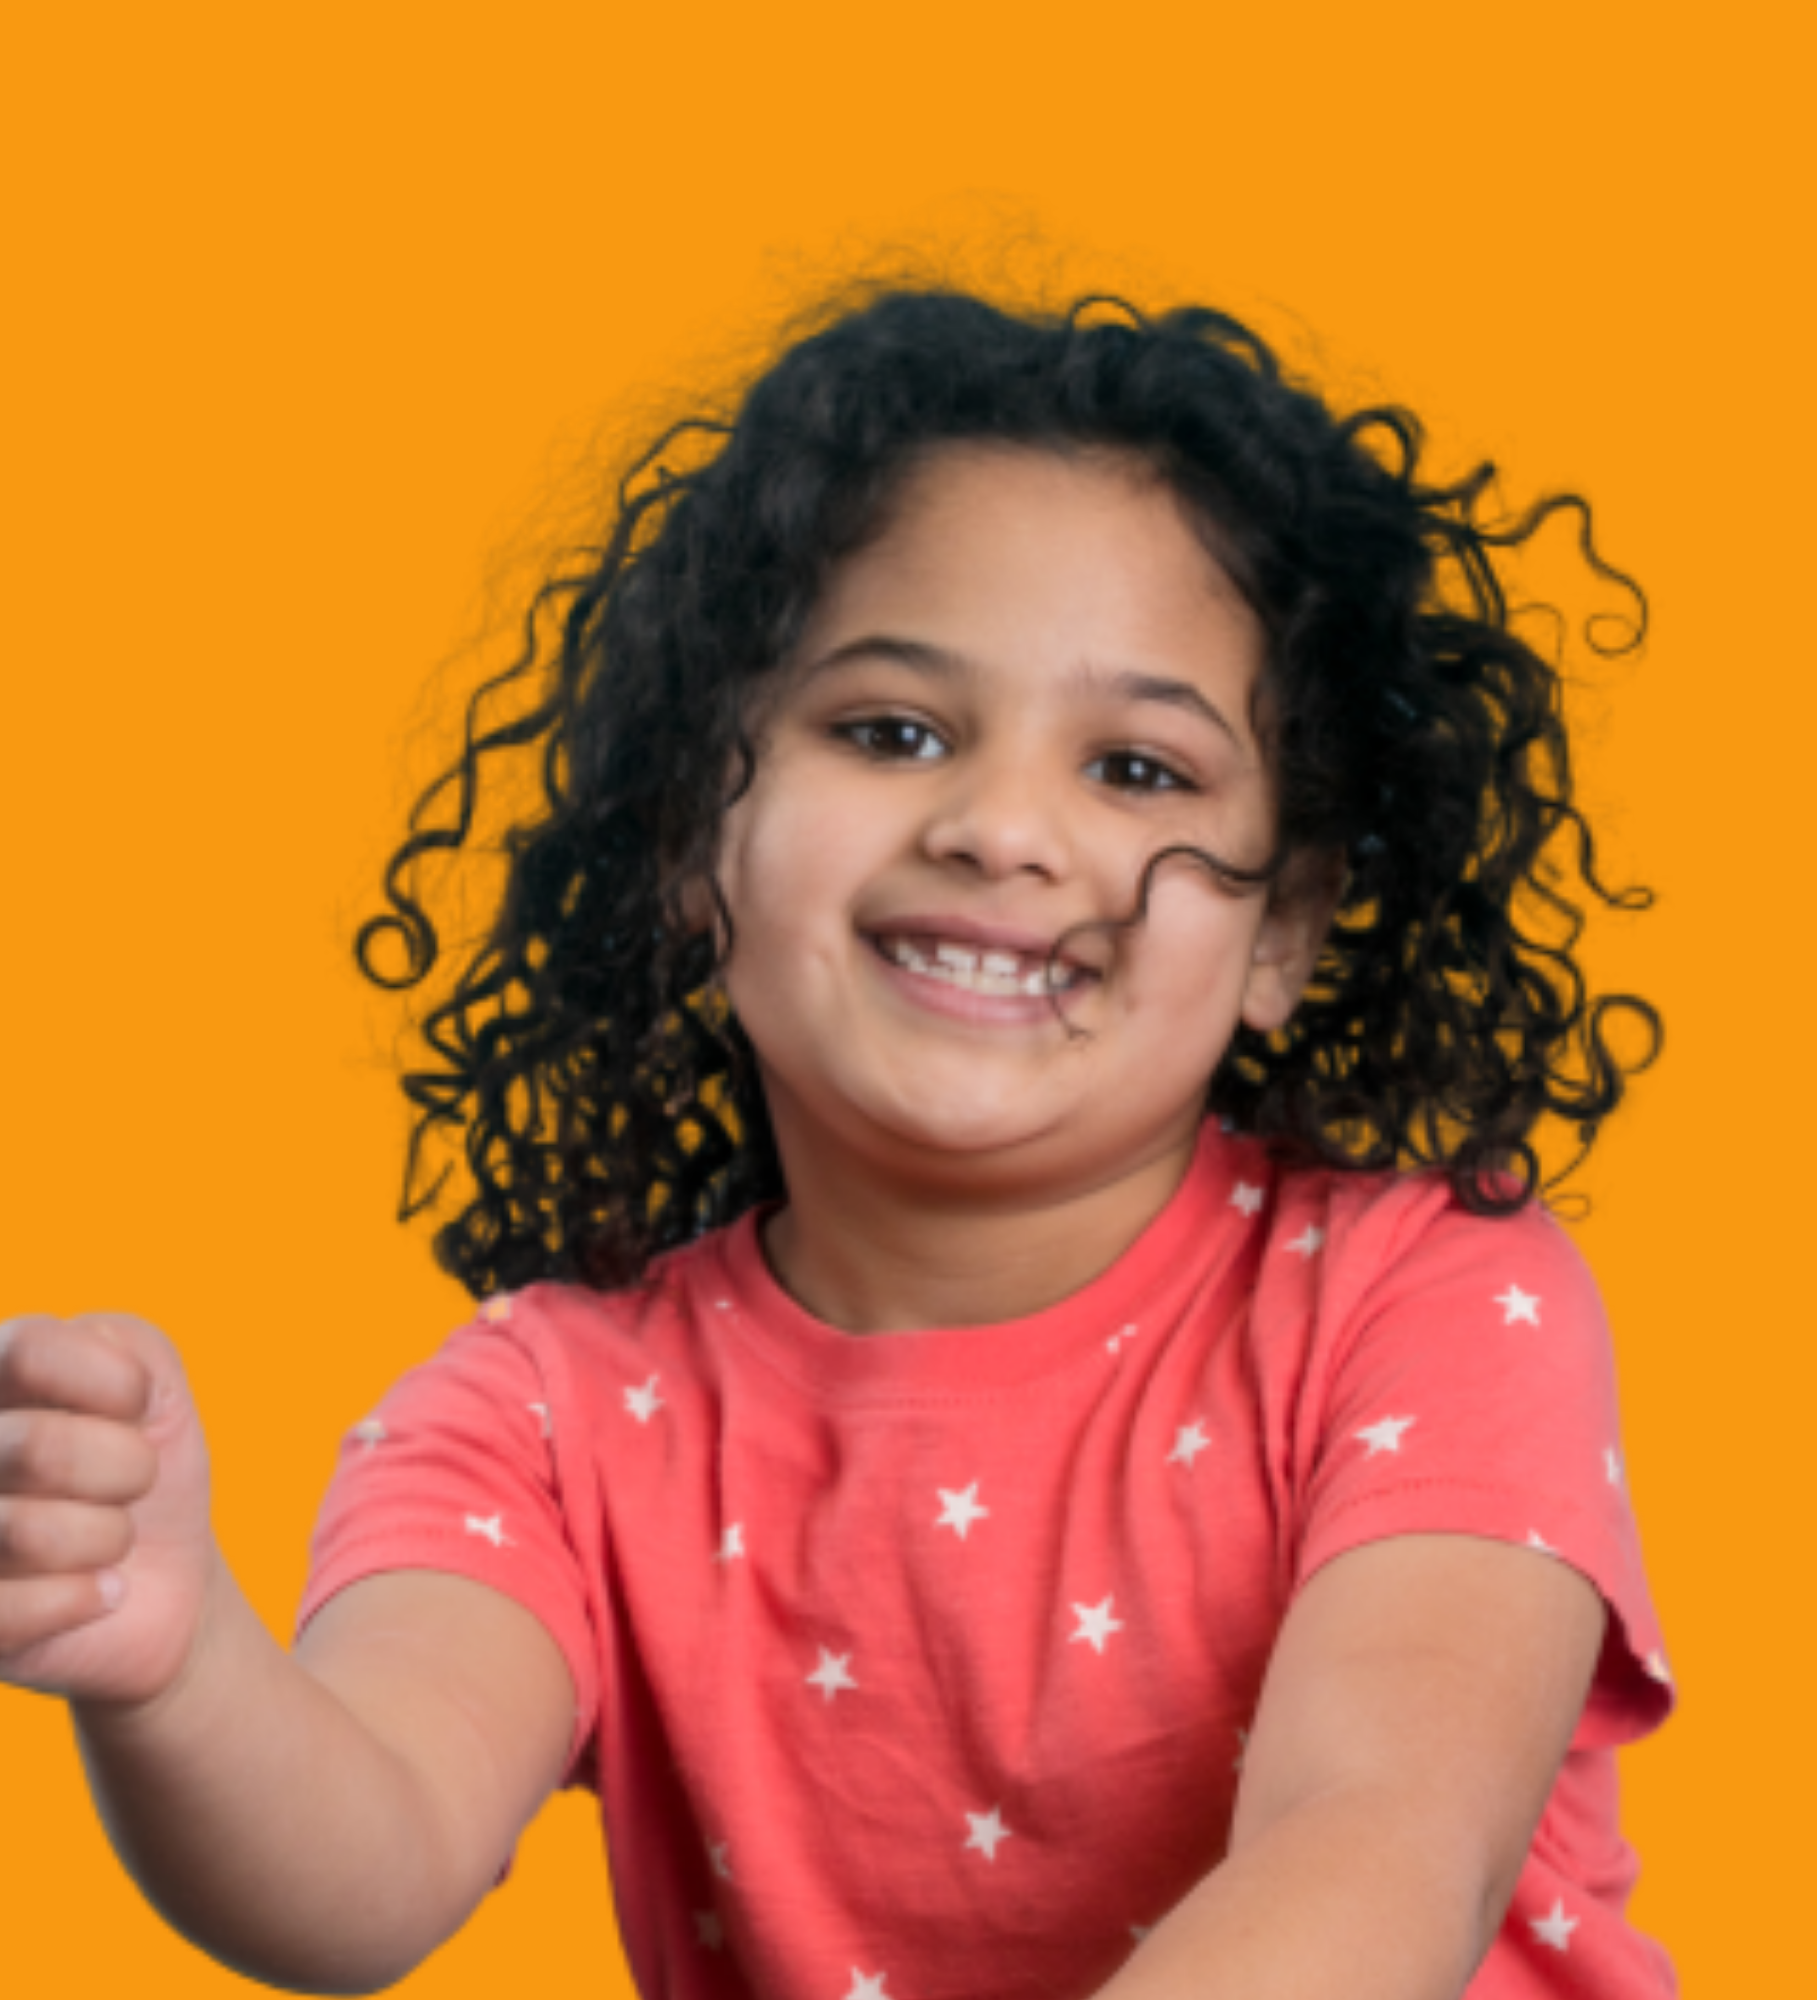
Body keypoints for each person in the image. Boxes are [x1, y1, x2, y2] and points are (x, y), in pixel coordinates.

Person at [0, 285, 1676, 1999]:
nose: (1002, 828)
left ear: (1284, 934)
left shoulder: (1427, 1303)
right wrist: (173, 1662)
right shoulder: (548, 1416)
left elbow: (1385, 1840)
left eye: (1136, 769)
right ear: (691, 834)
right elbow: (368, 1856)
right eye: (891, 733)